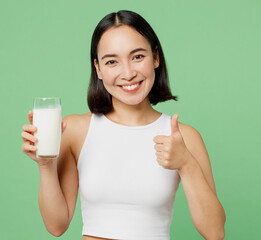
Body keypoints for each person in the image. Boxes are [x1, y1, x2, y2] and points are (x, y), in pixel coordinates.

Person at [21, 10, 226, 240]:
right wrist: (45, 165)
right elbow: (56, 226)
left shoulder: (183, 137)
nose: (128, 73)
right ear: (98, 69)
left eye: (138, 57)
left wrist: (187, 164)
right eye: (112, 62)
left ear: (156, 57)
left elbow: (215, 232)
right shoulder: (75, 131)